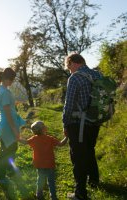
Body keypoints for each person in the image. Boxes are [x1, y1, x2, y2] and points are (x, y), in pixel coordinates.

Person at [63, 53, 101, 200]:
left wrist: (65, 123)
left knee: (78, 157)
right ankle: (94, 181)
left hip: (79, 124)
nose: (69, 70)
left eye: (68, 66)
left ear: (72, 63)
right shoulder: (97, 74)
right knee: (89, 150)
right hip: (95, 122)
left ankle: (80, 193)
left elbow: (69, 104)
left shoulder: (75, 77)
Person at [0, 67, 26, 184]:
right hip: (7, 124)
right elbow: (7, 113)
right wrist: (15, 131)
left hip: (3, 123)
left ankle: (10, 171)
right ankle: (1, 176)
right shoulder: (5, 92)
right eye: (11, 79)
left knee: (8, 149)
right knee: (7, 151)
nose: (12, 82)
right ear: (6, 79)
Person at [20, 121, 68, 200]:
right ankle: (53, 197)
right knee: (51, 182)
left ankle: (39, 194)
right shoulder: (50, 139)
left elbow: (25, 142)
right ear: (43, 129)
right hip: (50, 165)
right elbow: (61, 144)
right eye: (44, 125)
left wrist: (18, 138)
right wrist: (67, 137)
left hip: (39, 165)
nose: (45, 126)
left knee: (40, 180)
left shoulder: (34, 139)